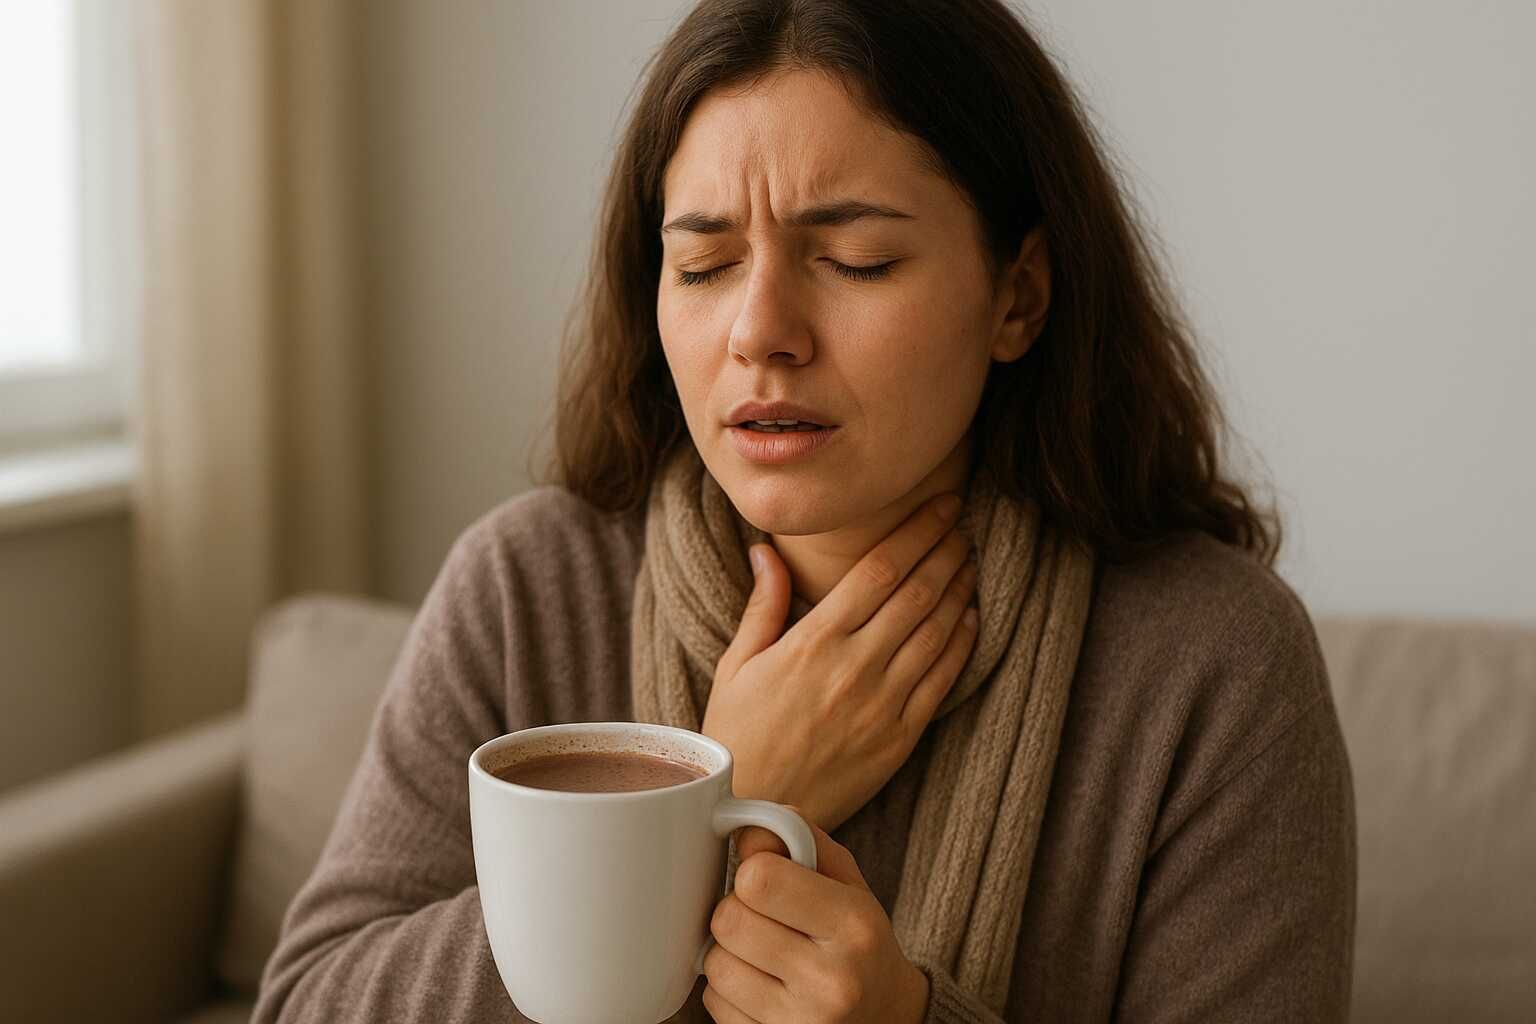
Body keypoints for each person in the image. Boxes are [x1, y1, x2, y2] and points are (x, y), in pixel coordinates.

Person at [252, 1, 1356, 1021]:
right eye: (706, 262)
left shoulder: (1214, 665)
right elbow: (307, 1002)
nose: (761, 329)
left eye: (854, 258)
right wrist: (691, 817)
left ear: (1016, 294)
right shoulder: (525, 585)